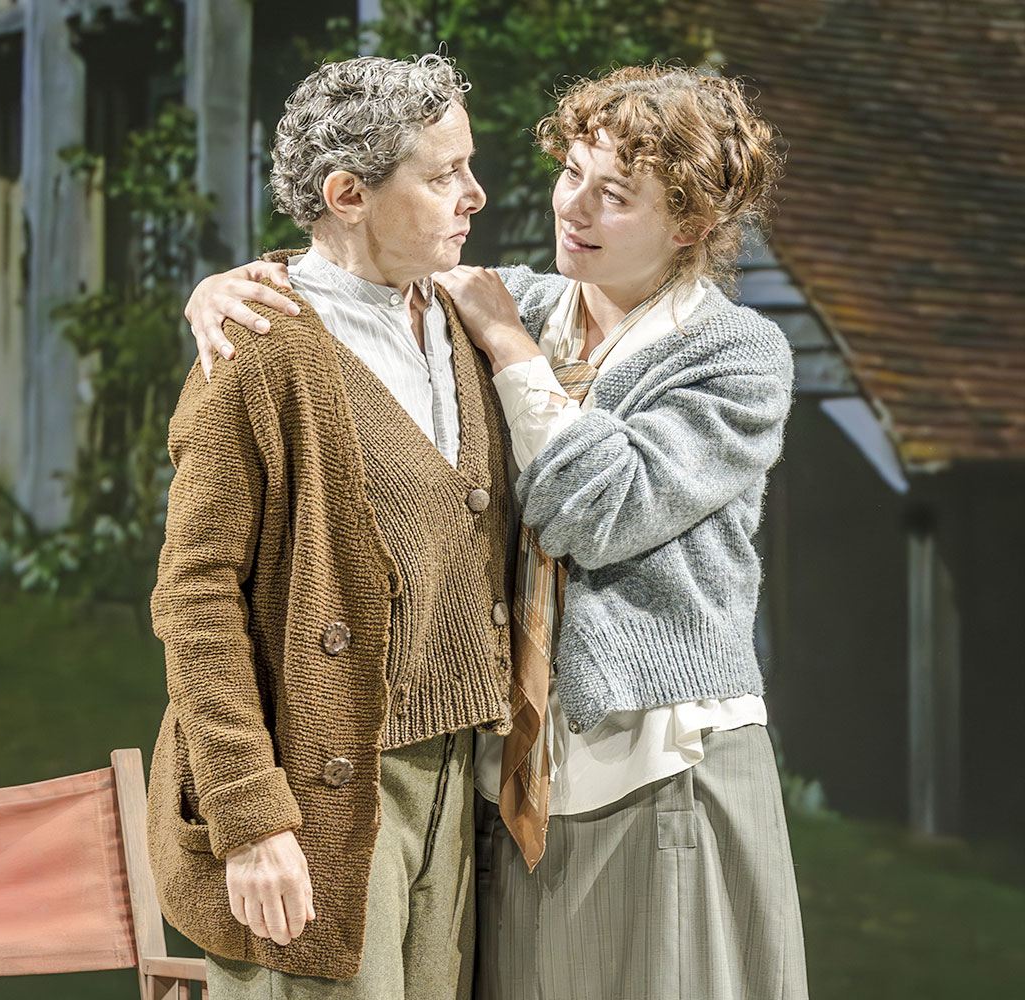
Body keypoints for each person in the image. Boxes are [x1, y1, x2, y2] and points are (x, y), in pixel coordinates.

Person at [183, 64, 808, 1000]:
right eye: (573, 175)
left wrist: (514, 353)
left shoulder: (733, 356)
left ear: (691, 226)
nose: (574, 208)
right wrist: (225, 288)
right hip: (500, 776)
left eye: (616, 195)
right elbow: (353, 262)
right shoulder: (519, 298)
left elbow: (599, 509)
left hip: (654, 760)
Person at [147, 54, 517, 1000]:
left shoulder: (460, 313)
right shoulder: (256, 350)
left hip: (443, 777)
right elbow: (195, 598)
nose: (475, 194)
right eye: (443, 176)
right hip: (313, 787)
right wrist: (249, 817)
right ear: (347, 192)